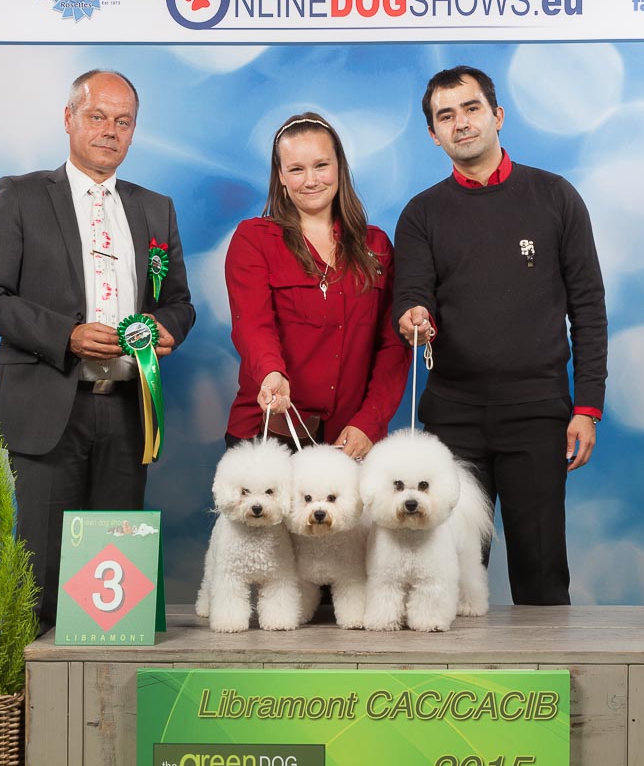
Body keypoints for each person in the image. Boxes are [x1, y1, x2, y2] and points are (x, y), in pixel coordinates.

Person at [0, 69, 195, 625]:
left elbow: (179, 304)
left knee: (116, 574)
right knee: (42, 569)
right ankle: (38, 680)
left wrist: (166, 328)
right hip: (47, 406)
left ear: (134, 132)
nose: (110, 130)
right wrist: (65, 336)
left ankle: (111, 680)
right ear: (68, 119)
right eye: (97, 116)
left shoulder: (155, 207)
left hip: (129, 410)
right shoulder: (20, 194)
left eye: (123, 121)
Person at [393, 66, 607, 606]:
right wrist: (414, 317)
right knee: (450, 574)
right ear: (433, 134)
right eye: (446, 116)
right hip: (453, 414)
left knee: (541, 571)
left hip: (538, 411)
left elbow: (588, 307)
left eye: (471, 109)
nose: (461, 123)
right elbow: (412, 293)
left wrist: (587, 406)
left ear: (497, 115)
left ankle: (547, 664)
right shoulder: (421, 213)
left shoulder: (555, 196)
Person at [224, 112, 409, 458]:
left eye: (321, 165)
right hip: (268, 431)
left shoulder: (378, 246)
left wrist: (369, 422)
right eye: (296, 169)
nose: (311, 180)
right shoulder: (253, 239)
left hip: (348, 437)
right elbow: (251, 323)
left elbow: (393, 347)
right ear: (281, 176)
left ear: (339, 167)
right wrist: (271, 372)